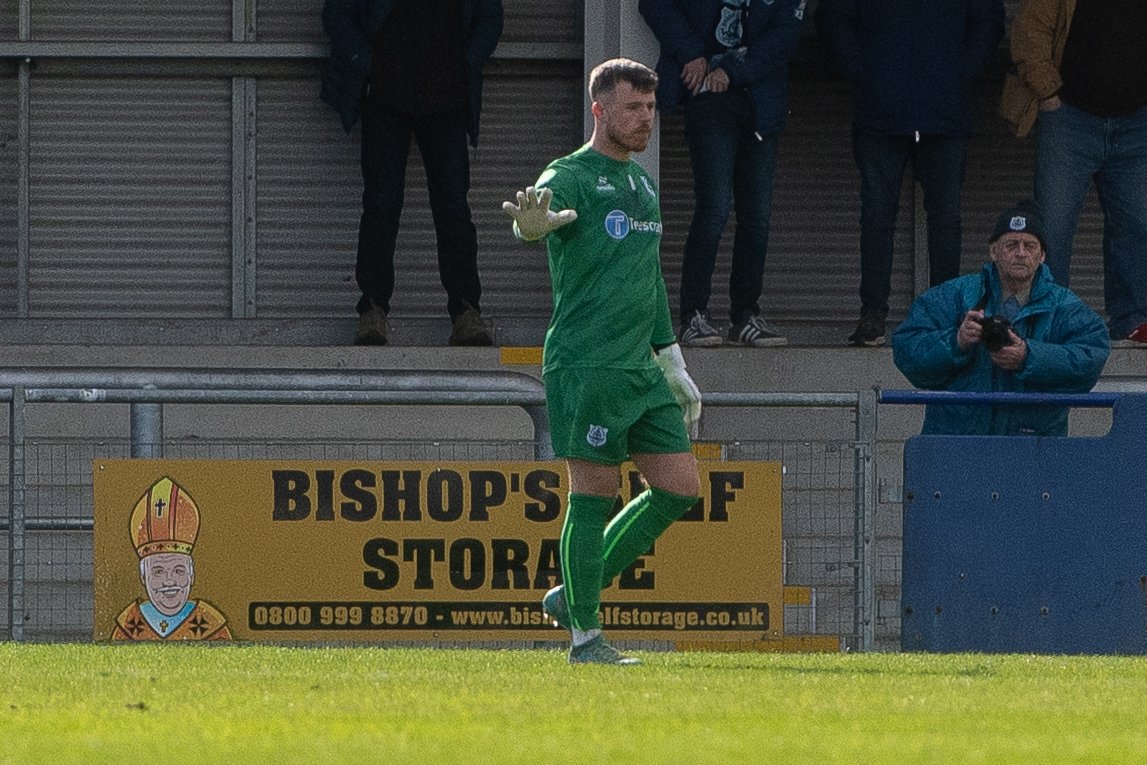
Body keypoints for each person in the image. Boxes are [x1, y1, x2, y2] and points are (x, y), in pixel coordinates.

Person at [501, 59, 702, 665]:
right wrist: (533, 227)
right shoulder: (572, 174)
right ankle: (586, 638)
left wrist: (671, 355)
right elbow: (539, 213)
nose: (646, 119)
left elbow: (651, 277)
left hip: (640, 370)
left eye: (651, 107)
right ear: (600, 110)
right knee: (593, 491)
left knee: (680, 488)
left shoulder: (642, 184)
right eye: (633, 108)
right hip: (585, 366)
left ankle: (571, 593)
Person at [816, 0, 1005, 347]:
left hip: (945, 110)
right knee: (876, 215)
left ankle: (946, 316)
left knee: (946, 218)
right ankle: (872, 313)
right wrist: (863, 69)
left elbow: (988, 21)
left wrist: (960, 70)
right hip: (881, 110)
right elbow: (834, 19)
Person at [320, 0, 502, 347]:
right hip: (388, 98)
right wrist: (369, 64)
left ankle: (465, 311)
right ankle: (373, 310)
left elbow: (490, 19)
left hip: (445, 98)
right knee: (382, 205)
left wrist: (466, 64)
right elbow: (337, 17)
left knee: (451, 208)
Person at [638, 0, 805, 347]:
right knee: (714, 208)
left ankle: (745, 315)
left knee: (757, 216)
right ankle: (694, 314)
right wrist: (691, 53)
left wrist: (734, 71)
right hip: (707, 100)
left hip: (760, 99)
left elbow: (787, 34)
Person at [891, 202, 1109, 436]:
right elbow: (906, 349)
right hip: (956, 443)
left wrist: (1028, 356)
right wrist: (956, 341)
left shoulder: (1064, 305)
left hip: (1035, 447)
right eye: (1012, 245)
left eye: (1030, 246)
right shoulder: (954, 295)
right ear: (994, 252)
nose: (1021, 253)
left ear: (1042, 255)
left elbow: (1091, 358)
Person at [1000, 0, 1147, 345]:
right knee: (1053, 226)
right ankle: (1048, 319)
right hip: (1070, 120)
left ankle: (1134, 319)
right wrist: (1048, 91)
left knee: (1137, 224)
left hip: (1137, 122)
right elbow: (1029, 31)